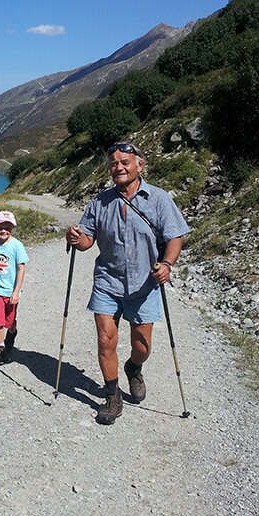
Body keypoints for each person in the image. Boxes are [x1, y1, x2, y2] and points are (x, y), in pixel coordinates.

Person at [66, 141, 189, 425]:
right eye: (113, 163)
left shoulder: (158, 199)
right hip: (107, 282)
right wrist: (75, 237)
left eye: (125, 162)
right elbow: (86, 241)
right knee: (105, 339)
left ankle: (134, 367)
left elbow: (175, 237)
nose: (118, 167)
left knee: (142, 345)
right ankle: (112, 395)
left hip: (144, 284)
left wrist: (167, 264)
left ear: (139, 165)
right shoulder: (100, 201)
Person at [0, 210, 29, 366]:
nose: (3, 230)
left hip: (11, 291)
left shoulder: (17, 246)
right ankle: (0, 349)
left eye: (7, 227)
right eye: (0, 226)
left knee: (10, 322)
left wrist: (16, 292)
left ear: (13, 228)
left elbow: (21, 268)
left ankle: (12, 334)